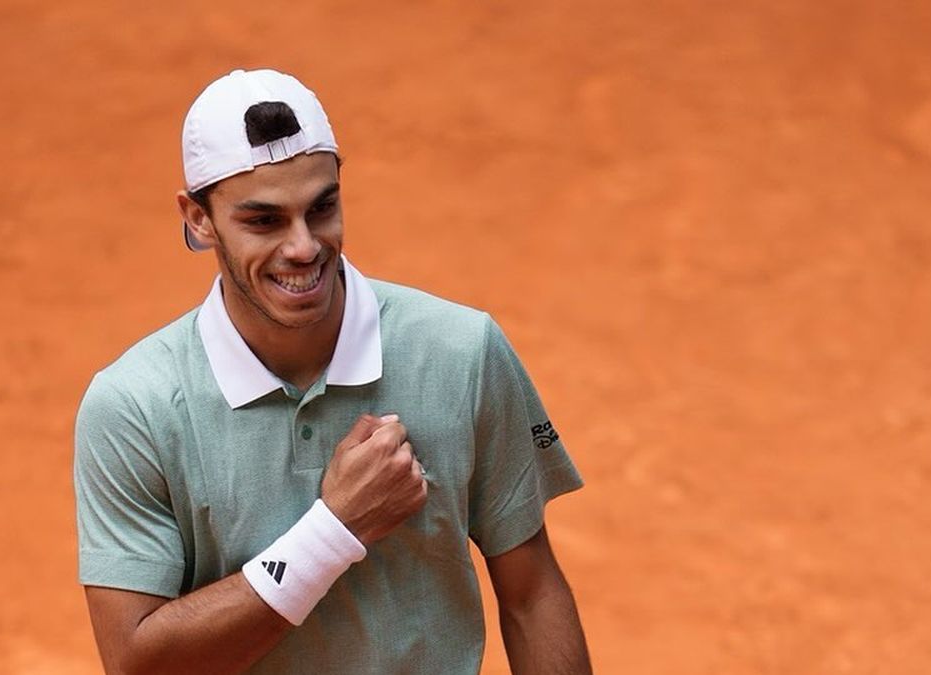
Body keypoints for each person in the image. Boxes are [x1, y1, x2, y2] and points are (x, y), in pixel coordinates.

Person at [74, 68, 592, 674]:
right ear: (198, 218)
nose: (304, 246)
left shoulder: (462, 351)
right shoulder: (133, 407)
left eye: (321, 208)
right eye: (264, 221)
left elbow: (531, 595)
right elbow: (136, 663)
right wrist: (333, 532)